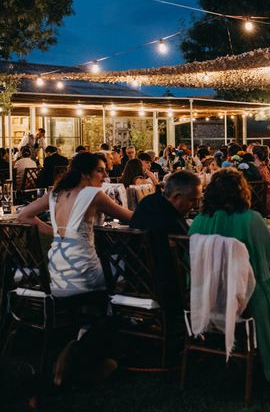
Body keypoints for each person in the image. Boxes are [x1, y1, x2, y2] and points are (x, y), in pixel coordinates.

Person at [17, 153, 132, 386]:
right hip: (83, 275)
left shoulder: (56, 193)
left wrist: (57, 232)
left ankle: (86, 332)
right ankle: (101, 339)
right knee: (122, 273)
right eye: (100, 170)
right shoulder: (93, 194)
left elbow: (24, 215)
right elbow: (130, 217)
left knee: (111, 276)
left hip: (57, 277)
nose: (105, 175)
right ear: (84, 174)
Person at [189, 169, 270, 384]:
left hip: (206, 293)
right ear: (241, 191)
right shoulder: (251, 219)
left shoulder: (199, 221)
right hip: (246, 296)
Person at [130, 171, 201, 311]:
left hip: (134, 279)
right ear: (177, 197)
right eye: (193, 200)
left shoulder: (147, 202)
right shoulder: (172, 222)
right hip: (166, 291)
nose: (195, 205)